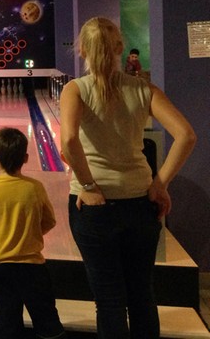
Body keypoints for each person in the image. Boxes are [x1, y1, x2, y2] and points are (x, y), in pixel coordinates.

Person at [60, 17, 196, 338]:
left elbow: (68, 141)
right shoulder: (145, 89)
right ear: (120, 48)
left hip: (95, 208)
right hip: (140, 204)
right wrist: (160, 183)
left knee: (109, 302)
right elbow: (186, 135)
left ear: (82, 50)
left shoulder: (75, 89)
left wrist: (88, 185)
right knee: (142, 295)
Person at [0, 127, 65, 339]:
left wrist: (1, 233)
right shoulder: (35, 187)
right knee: (47, 322)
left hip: (0, 268)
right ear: (25, 158)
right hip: (33, 267)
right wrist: (31, 233)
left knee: (8, 324)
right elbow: (50, 221)